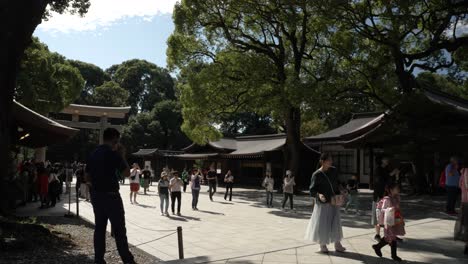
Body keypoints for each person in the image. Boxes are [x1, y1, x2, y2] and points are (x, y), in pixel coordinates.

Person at [85, 127, 135, 264]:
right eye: (118, 140)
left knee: (100, 229)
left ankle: (98, 259)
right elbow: (127, 173)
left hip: (97, 196)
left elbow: (87, 176)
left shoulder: (93, 153)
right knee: (119, 230)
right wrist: (122, 155)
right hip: (112, 196)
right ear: (115, 139)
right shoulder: (113, 154)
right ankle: (127, 259)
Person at [305, 153, 345, 253]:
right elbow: (312, 190)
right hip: (323, 203)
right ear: (322, 161)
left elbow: (338, 183)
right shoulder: (316, 174)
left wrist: (342, 190)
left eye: (331, 160)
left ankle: (337, 244)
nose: (331, 162)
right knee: (323, 224)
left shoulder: (334, 170)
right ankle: (322, 245)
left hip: (334, 200)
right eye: (329, 160)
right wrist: (319, 195)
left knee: (335, 222)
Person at [372, 182, 406, 262]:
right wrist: (390, 209)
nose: (398, 190)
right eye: (396, 188)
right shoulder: (387, 199)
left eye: (398, 188)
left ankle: (377, 247)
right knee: (391, 237)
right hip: (389, 221)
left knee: (389, 237)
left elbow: (398, 207)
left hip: (395, 219)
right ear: (391, 190)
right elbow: (383, 209)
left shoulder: (396, 197)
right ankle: (393, 255)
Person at [373, 156, 399, 241]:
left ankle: (391, 233)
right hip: (379, 195)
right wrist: (391, 174)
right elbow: (379, 181)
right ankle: (377, 235)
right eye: (385, 159)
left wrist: (395, 175)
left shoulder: (387, 169)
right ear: (381, 160)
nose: (387, 160)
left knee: (389, 214)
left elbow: (391, 182)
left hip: (387, 196)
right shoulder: (378, 169)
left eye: (387, 159)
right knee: (378, 215)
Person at [457, 161, 468, 255]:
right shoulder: (466, 171)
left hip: (464, 201)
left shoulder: (463, 171)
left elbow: (460, 185)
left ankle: (466, 246)